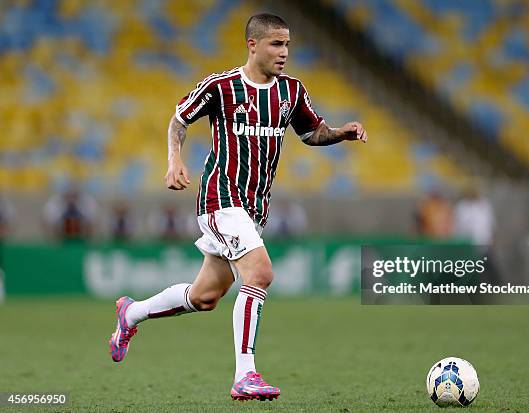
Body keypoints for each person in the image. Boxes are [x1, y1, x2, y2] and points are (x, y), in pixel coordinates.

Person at [108, 13, 368, 402]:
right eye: (276, 44)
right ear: (253, 44)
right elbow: (179, 120)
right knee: (260, 273)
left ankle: (130, 314)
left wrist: (339, 133)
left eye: (288, 45)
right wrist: (174, 159)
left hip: (254, 209)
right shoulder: (222, 86)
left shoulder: (292, 92)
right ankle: (245, 374)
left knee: (204, 297)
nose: (284, 52)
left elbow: (311, 132)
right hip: (219, 197)